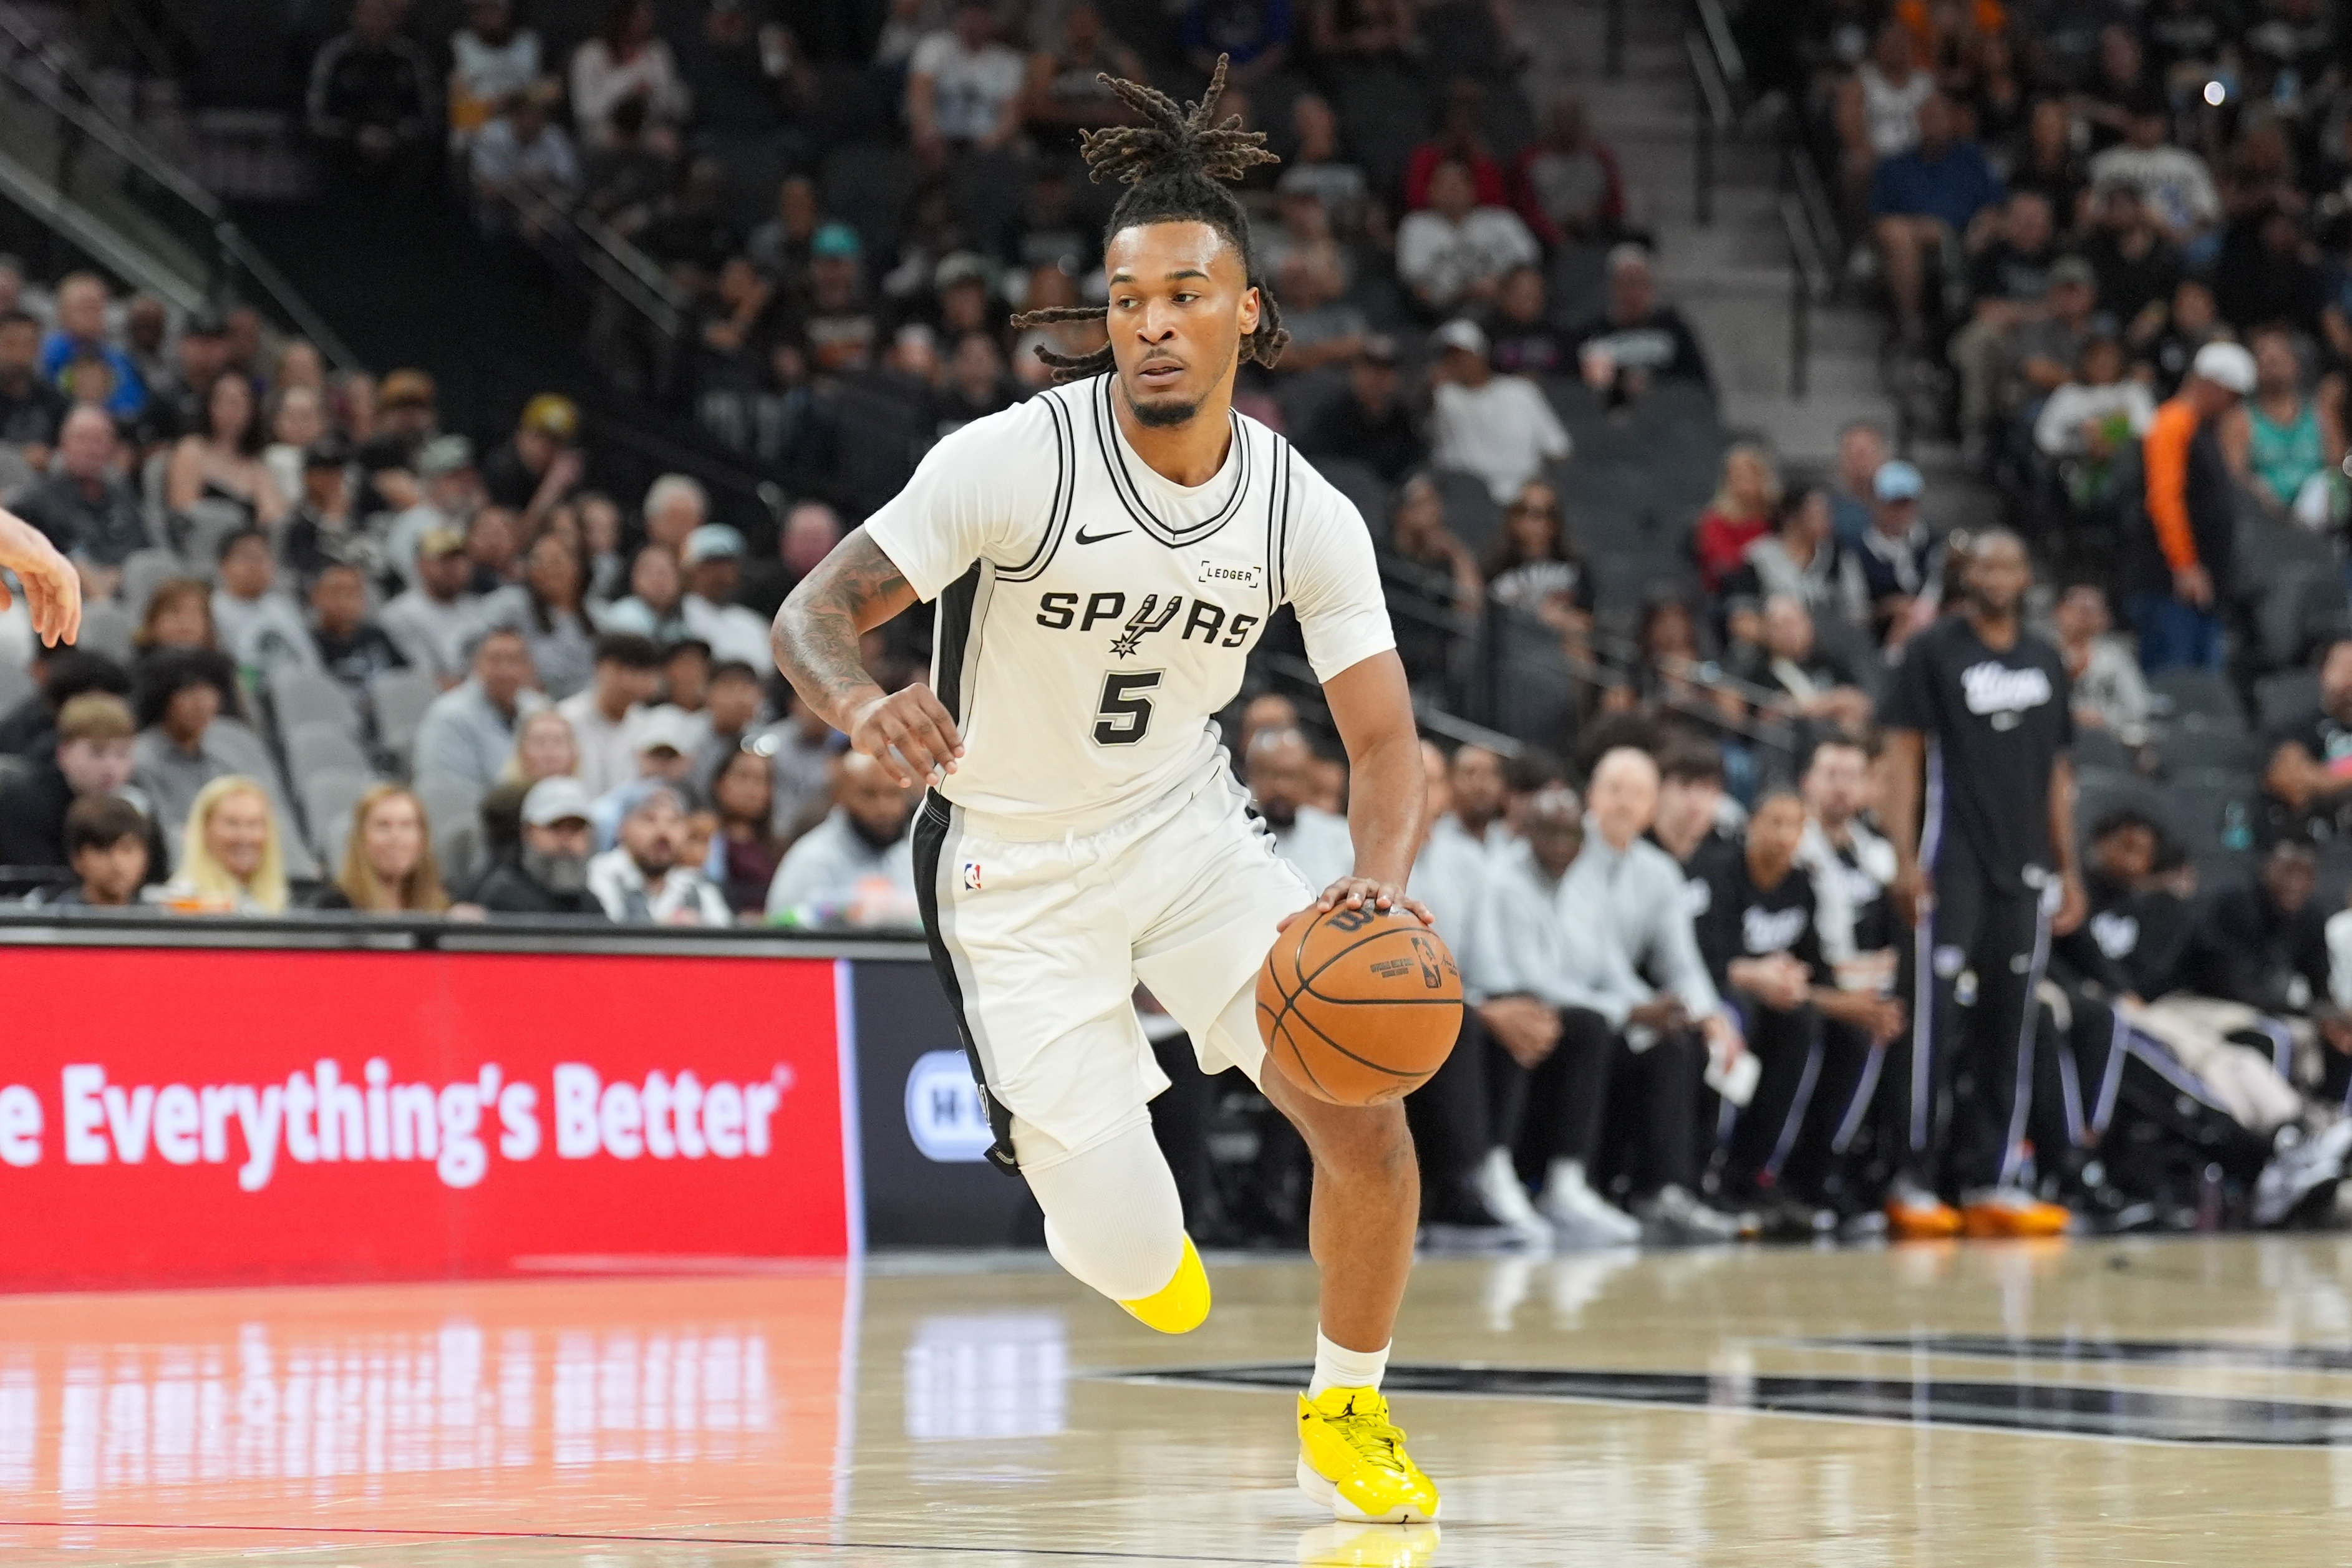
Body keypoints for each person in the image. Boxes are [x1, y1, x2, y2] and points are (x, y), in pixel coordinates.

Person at [772, 61, 1442, 1522]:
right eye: (1128, 298)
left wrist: (1380, 883)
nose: (1151, 322)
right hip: (1008, 872)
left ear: (1248, 313)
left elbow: (1389, 744)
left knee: (1363, 1103)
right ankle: (1111, 1216)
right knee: (1140, 1260)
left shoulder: (1300, 509)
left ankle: (1346, 1407)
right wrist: (863, 701)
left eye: (1186, 294)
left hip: (1186, 836)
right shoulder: (1016, 460)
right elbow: (811, 613)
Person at [1879, 530, 2081, 1241]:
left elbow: (2059, 775)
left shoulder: (2046, 659)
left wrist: (2068, 867)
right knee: (1930, 1023)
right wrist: (1903, 856)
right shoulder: (1932, 652)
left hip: (2023, 866)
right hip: (1950, 858)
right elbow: (1901, 757)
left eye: (2010, 564)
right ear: (1967, 575)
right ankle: (1911, 1175)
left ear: (2026, 576)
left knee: (2009, 1023)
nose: (1997, 575)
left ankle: (1990, 1176)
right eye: (1986, 564)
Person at [1694, 788, 1905, 1226]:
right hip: (1718, 994)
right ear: (1752, 826)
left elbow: (1812, 973)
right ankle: (1710, 1171)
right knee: (1745, 1017)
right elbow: (1703, 959)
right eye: (1774, 822)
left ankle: (1791, 1174)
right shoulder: (1718, 871)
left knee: (1839, 1031)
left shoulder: (1801, 885)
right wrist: (1754, 975)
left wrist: (1854, 1007)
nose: (1784, 834)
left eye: (1795, 825)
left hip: (1783, 1001)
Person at [2129, 340, 2254, 674]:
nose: (2234, 406)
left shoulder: (2204, 427)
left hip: (2203, 583)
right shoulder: (2174, 422)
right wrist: (2184, 564)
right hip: (2171, 584)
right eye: (2232, 396)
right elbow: (2164, 499)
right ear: (2212, 386)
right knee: (2174, 676)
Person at [1867, 91, 2005, 347]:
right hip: (1913, 243)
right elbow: (1879, 219)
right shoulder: (1895, 165)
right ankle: (1911, 323)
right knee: (1896, 234)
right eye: (1927, 116)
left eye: (1939, 116)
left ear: (1951, 120)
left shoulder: (1972, 160)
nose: (1933, 123)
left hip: (1966, 238)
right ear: (1917, 120)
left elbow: (1994, 206)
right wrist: (1925, 229)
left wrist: (1982, 226)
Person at [763, 748, 919, 921]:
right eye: (869, 794)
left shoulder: (912, 856)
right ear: (841, 796)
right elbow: (780, 927)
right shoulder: (811, 859)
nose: (884, 809)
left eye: (893, 794)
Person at [1425, 319, 1570, 505]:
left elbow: (1558, 449)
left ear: (1481, 355)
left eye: (1463, 356)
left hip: (1522, 497)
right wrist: (1429, 389)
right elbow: (1420, 424)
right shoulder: (1442, 398)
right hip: (1465, 499)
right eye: (1449, 358)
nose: (1458, 364)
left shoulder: (1521, 391)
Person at [0, 690, 142, 869]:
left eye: (122, 754)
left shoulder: (137, 805)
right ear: (63, 754)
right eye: (97, 753)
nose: (111, 768)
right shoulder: (23, 803)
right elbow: (33, 875)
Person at [14, 405, 146, 594]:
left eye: (99, 441)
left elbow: (144, 547)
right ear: (63, 445)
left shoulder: (122, 494)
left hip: (130, 587)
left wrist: (121, 575)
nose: (91, 450)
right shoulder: (36, 500)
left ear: (112, 448)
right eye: (82, 439)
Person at [307, 0, 438, 184]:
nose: (373, 22)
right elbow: (316, 115)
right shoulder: (335, 55)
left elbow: (429, 113)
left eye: (381, 16)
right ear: (354, 17)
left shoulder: (409, 57)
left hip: (400, 153)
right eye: (367, 15)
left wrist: (393, 135)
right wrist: (356, 134)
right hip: (343, 152)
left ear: (394, 20)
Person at [1567, 244, 1715, 407]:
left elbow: (1697, 384)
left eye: (1640, 283)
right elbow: (1573, 391)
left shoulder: (1672, 329)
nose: (1633, 294)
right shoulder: (1592, 333)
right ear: (1613, 287)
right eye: (1626, 284)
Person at [1395, 158, 1540, 316]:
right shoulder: (1416, 225)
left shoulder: (1501, 220)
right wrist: (1466, 291)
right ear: (1431, 190)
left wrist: (1501, 282)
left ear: (1473, 190)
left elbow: (1528, 260)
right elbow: (1413, 278)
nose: (1452, 191)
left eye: (1458, 184)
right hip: (1440, 312)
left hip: (1499, 307)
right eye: (1444, 185)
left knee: (1526, 282)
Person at [128, 649, 236, 849]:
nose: (201, 704)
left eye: (209, 691)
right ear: (164, 697)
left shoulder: (221, 758)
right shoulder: (141, 759)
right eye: (189, 692)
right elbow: (162, 834)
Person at [414, 626, 540, 792]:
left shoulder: (537, 707)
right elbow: (446, 792)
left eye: (515, 660)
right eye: (496, 660)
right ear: (476, 663)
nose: (506, 670)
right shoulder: (449, 717)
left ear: (529, 666)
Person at [2240, 326, 2344, 527]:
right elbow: (2236, 477)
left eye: (2280, 359)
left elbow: (2337, 467)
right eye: (2266, 360)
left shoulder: (2320, 414)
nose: (2273, 365)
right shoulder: (2241, 418)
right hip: (2266, 523)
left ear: (2295, 365)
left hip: (2317, 523)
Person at [588, 780, 729, 924]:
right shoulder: (599, 874)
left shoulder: (694, 885)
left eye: (674, 821)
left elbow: (725, 931)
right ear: (621, 828)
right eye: (649, 819)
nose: (663, 832)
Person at [167, 371, 286, 533]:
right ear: (209, 405)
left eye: (238, 402)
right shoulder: (192, 450)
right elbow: (183, 511)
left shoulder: (256, 467)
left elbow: (275, 518)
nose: (230, 410)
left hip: (248, 543)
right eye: (223, 401)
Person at [472, 776, 604, 916]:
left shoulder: (592, 906)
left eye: (576, 828)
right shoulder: (501, 897)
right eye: (554, 826)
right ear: (527, 832)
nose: (565, 839)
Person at [2262, 636, 2352, 840]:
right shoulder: (2300, 729)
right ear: (2323, 675)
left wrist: (2319, 778)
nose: (2350, 680)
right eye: (2344, 669)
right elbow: (2291, 782)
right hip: (2316, 835)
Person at [1299, 336, 1423, 483]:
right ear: (1355, 372)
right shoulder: (1333, 414)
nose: (1378, 378)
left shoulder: (1403, 417)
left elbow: (1413, 463)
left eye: (1386, 371)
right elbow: (1315, 460)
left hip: (1388, 491)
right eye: (1371, 369)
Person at [158, 775, 288, 914]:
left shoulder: (278, 902)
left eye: (254, 824)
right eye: (232, 823)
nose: (245, 836)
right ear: (204, 830)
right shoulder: (184, 903)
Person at [556, 631, 662, 796]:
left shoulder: (649, 729)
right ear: (599, 667)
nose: (628, 681)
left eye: (637, 672)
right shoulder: (563, 719)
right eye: (619, 669)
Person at [316, 783, 450, 913]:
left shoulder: (443, 907)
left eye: (407, 826)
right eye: (383, 826)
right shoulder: (335, 909)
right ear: (360, 838)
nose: (396, 838)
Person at [2053, 581, 2152, 750]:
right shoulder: (2043, 653)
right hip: (2057, 740)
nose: (2084, 618)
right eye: (2079, 609)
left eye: (2091, 611)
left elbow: (2138, 706)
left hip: (2111, 739)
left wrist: (2104, 718)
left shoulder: (2115, 656)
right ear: (2059, 611)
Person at [211, 529, 321, 682]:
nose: (256, 565)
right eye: (247, 557)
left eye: (263, 556)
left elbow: (310, 662)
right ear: (223, 566)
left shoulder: (283, 606)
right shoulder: (212, 611)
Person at [381, 526, 483, 688]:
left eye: (458, 559)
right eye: (444, 560)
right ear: (420, 565)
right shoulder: (400, 614)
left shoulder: (476, 607)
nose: (453, 568)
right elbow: (426, 680)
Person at [307, 561, 408, 713]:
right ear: (316, 596)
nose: (345, 601)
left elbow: (406, 677)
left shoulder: (376, 636)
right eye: (336, 592)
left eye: (353, 592)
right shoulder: (309, 643)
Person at [1693, 443, 1784, 595]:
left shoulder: (1778, 517)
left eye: (1752, 474)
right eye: (1738, 475)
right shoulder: (1715, 520)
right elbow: (1725, 562)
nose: (1745, 481)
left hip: (1780, 587)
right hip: (1733, 592)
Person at [679, 525, 773, 666]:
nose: (723, 575)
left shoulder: (753, 624)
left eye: (729, 565)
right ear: (690, 571)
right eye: (712, 565)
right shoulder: (676, 615)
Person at [709, 745, 787, 913]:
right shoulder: (703, 838)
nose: (751, 789)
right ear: (720, 783)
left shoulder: (779, 850)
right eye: (743, 777)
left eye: (760, 780)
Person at [49, 793, 152, 907]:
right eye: (104, 849)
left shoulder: (159, 916)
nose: (118, 863)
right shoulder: (51, 915)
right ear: (77, 858)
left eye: (127, 849)